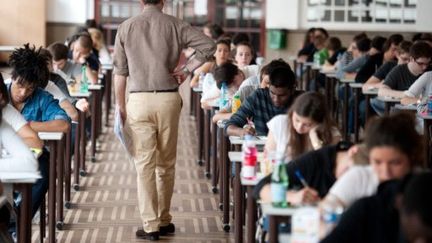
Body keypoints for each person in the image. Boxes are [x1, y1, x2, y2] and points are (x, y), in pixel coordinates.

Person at [113, 0, 216, 240]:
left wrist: (120, 106)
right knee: (166, 164)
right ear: (163, 2)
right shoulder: (175, 24)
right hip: (168, 99)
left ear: (141, 1)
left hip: (138, 100)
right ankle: (164, 219)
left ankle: (150, 226)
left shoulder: (126, 27)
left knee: (144, 165)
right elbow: (209, 46)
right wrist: (186, 69)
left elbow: (120, 73)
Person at [7, 44, 71, 221]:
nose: (23, 93)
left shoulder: (42, 98)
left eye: (30, 88)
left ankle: (18, 223)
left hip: (33, 152)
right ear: (12, 76)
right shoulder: (1, 95)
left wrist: (26, 126)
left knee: (44, 170)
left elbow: (63, 124)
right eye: (20, 85)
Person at [323, 112, 424, 210]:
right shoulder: (360, 177)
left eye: (395, 163)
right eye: (377, 162)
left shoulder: (423, 187)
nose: (386, 173)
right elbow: (325, 210)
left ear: (412, 158)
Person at [225, 65, 302, 136]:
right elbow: (229, 126)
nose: (276, 99)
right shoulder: (258, 97)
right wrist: (241, 131)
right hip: (262, 149)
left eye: (282, 95)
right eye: (272, 93)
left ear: (292, 89)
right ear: (269, 86)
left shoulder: (302, 101)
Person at [265, 92, 341, 160]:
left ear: (320, 123)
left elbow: (328, 165)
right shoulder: (280, 123)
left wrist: (315, 140)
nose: (299, 127)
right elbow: (268, 158)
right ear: (292, 113)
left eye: (307, 124)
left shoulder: (332, 133)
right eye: (297, 120)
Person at [372, 41, 432, 115]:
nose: (425, 67)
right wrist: (406, 94)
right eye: (421, 63)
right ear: (411, 59)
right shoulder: (399, 70)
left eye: (428, 63)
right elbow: (382, 91)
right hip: (402, 108)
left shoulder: (429, 71)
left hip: (422, 109)